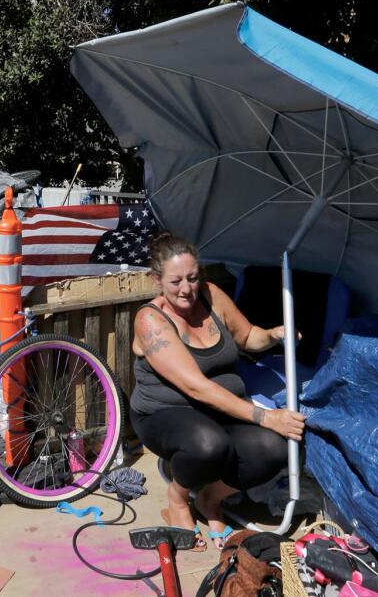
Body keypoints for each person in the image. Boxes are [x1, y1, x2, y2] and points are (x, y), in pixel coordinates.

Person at [131, 232, 305, 551]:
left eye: (193, 277)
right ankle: (179, 499)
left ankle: (211, 497)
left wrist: (273, 335)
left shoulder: (211, 295)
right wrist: (265, 416)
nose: (187, 289)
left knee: (277, 447)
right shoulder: (149, 321)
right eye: (176, 281)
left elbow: (248, 336)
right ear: (157, 281)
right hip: (166, 414)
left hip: (219, 409)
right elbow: (197, 388)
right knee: (209, 444)